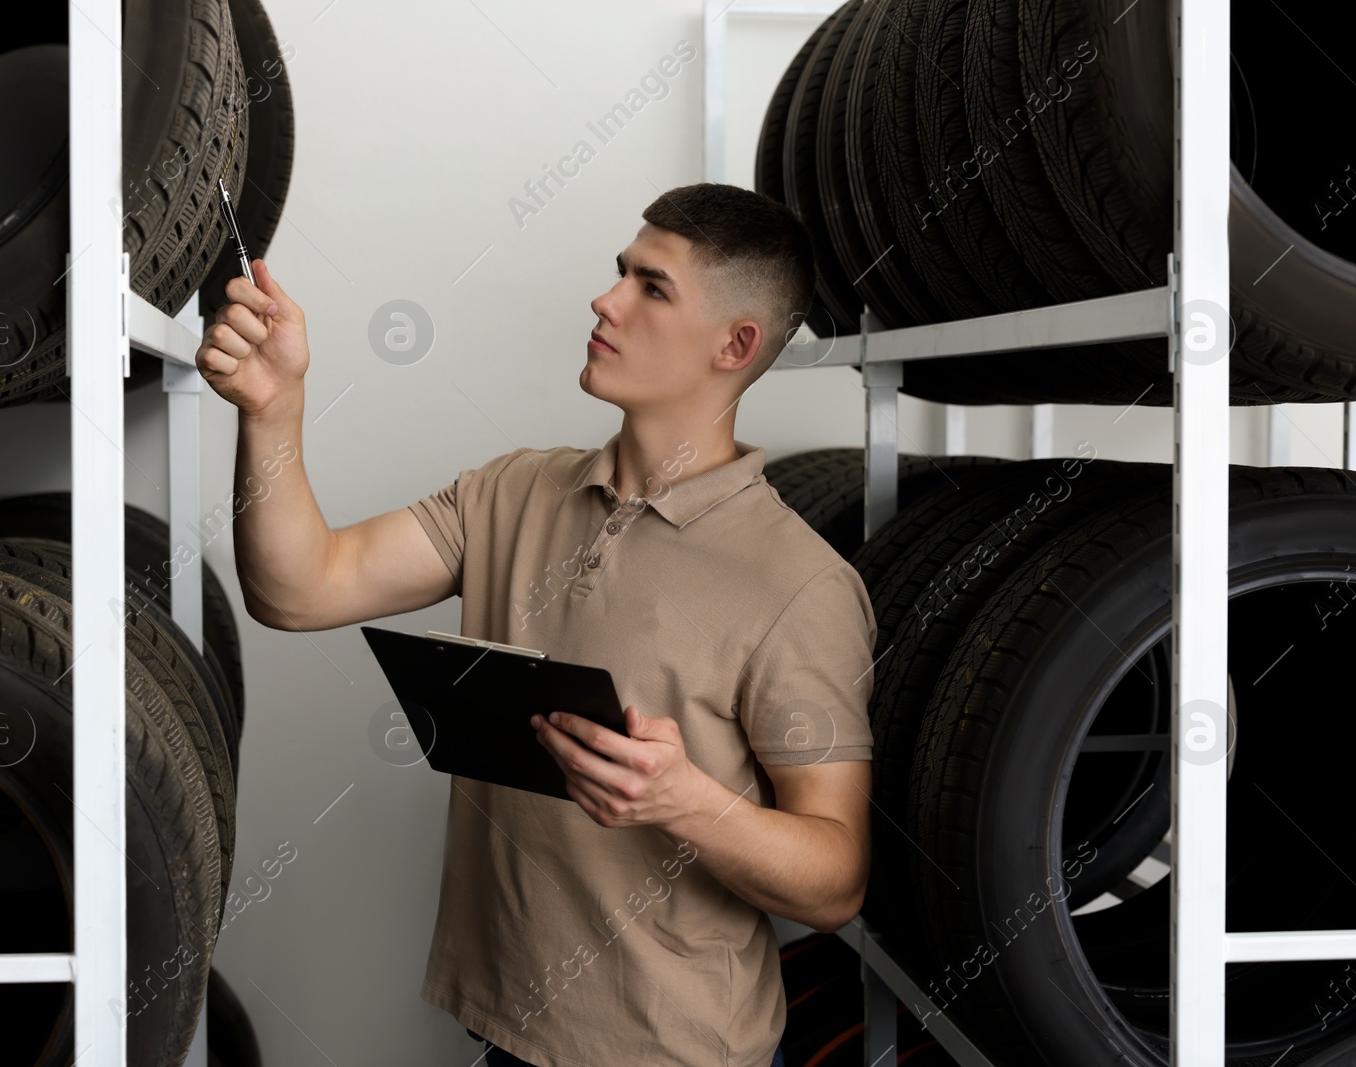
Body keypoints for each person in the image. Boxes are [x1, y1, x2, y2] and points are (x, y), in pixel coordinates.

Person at [195, 182, 876, 1067]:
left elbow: (836, 879)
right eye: (620, 272)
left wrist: (688, 801)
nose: (607, 299)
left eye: (652, 287)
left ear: (735, 345)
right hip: (506, 1031)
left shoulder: (799, 583)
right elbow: (300, 589)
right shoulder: (514, 489)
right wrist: (274, 409)